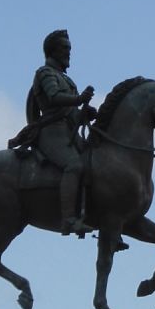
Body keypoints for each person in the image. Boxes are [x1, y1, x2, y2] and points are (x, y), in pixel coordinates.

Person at [23, 28, 96, 237]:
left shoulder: (67, 80)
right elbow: (54, 98)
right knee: (74, 165)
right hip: (51, 133)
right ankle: (68, 220)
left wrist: (84, 113)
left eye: (69, 48)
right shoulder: (44, 73)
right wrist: (79, 100)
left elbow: (70, 112)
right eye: (65, 48)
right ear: (52, 51)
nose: (69, 52)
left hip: (69, 132)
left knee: (98, 160)